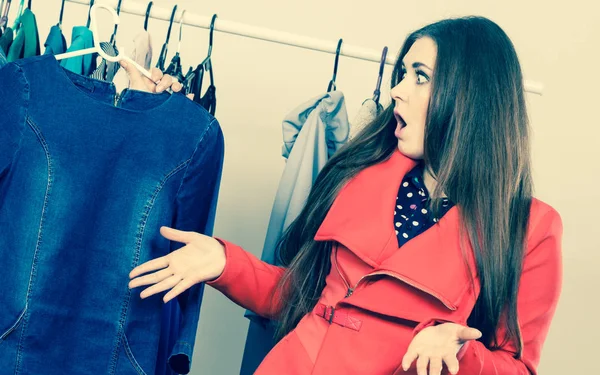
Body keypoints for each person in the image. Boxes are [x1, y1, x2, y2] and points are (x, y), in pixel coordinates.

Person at [123, 16, 562, 375]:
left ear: (470, 98)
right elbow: (302, 300)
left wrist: (460, 356)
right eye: (402, 73)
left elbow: (516, 367)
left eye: (420, 77)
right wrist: (225, 263)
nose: (397, 90)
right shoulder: (361, 173)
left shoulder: (529, 228)